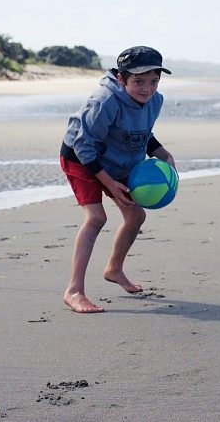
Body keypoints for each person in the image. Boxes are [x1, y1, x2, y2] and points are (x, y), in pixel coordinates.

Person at [59, 45, 176, 313]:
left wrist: (162, 153)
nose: (147, 89)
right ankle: (74, 290)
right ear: (121, 79)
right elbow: (83, 145)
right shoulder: (104, 101)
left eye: (153, 81)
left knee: (136, 216)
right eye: (138, 81)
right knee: (97, 218)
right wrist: (110, 183)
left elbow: (143, 133)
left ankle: (114, 269)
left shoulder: (155, 100)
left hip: (118, 157)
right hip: (82, 157)